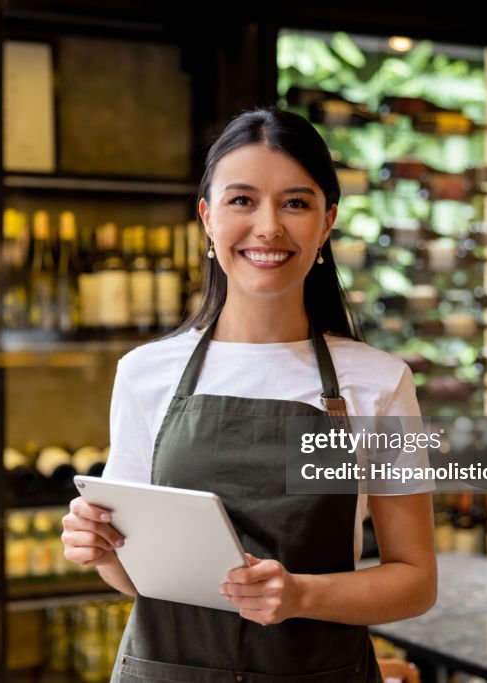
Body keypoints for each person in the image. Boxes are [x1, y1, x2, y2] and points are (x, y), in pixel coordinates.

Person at [61, 107, 437, 682]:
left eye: (295, 202)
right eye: (242, 201)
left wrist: (300, 596)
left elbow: (415, 580)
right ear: (207, 218)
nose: (268, 227)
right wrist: (104, 549)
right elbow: (144, 580)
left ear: (327, 221)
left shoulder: (379, 383)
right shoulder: (145, 374)